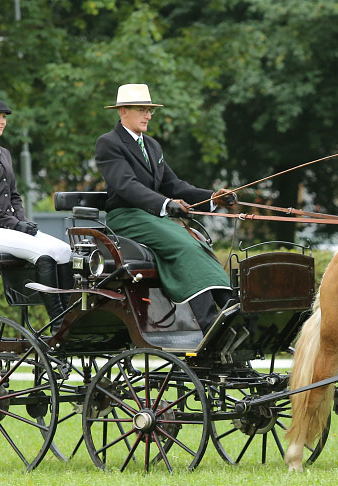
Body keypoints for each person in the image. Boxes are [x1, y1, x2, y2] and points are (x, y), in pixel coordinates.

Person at [94, 83, 237, 331]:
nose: (148, 115)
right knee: (184, 246)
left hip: (153, 218)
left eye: (150, 110)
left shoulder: (152, 145)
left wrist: (213, 198)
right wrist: (166, 204)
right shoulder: (109, 142)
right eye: (142, 110)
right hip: (126, 217)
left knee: (200, 245)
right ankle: (208, 323)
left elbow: (173, 184)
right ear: (123, 111)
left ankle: (230, 310)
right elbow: (126, 186)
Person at [0, 95, 73, 322]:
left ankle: (70, 318)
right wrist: (14, 224)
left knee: (65, 251)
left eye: (4, 117)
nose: (3, 121)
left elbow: (14, 195)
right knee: (44, 253)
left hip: (6, 229)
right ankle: (59, 323)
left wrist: (22, 221)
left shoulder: (4, 153)